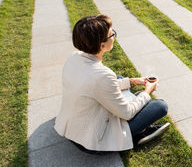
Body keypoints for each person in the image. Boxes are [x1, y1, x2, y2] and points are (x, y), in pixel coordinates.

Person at [54, 15, 169, 153]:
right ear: (102, 45)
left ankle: (140, 123)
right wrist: (147, 91)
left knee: (118, 78)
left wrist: (131, 81)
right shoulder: (103, 75)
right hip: (93, 142)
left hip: (73, 128)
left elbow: (93, 85)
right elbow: (126, 113)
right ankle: (139, 134)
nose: (114, 35)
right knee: (160, 106)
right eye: (111, 34)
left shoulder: (74, 57)